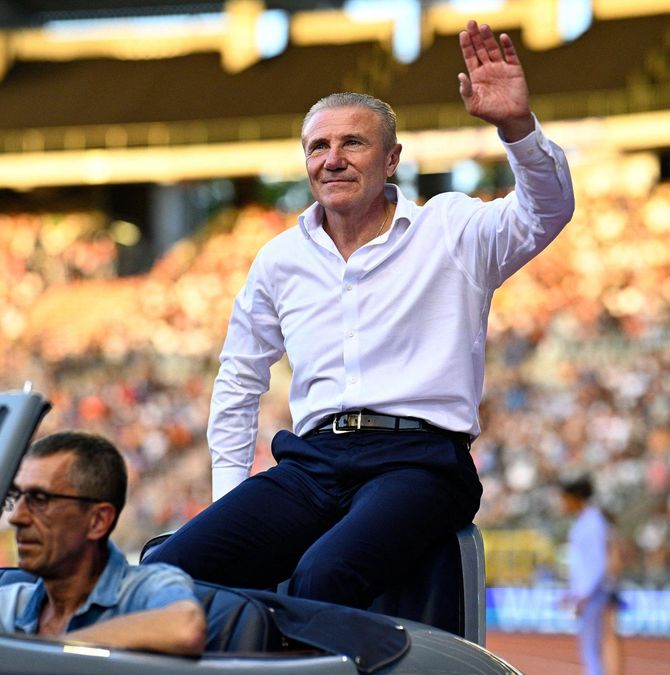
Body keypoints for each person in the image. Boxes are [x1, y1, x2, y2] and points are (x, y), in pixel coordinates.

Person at [146, 19, 575, 611]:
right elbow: (239, 378)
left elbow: (546, 210)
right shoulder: (280, 259)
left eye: (353, 143)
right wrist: (230, 499)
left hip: (420, 461)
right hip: (312, 463)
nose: (332, 160)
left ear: (392, 158)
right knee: (162, 572)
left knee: (324, 575)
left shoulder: (450, 229)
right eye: (317, 147)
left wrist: (517, 128)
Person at [0, 431, 207, 655]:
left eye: (40, 499)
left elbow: (185, 628)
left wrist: (49, 653)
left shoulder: (145, 589)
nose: (16, 517)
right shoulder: (4, 607)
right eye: (17, 497)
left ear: (98, 521)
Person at [561, 476, 624, 675]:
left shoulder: (593, 522)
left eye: (565, 499)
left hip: (593, 593)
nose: (563, 505)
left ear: (575, 497)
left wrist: (583, 593)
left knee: (592, 646)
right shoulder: (588, 521)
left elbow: (597, 562)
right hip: (591, 592)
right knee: (591, 646)